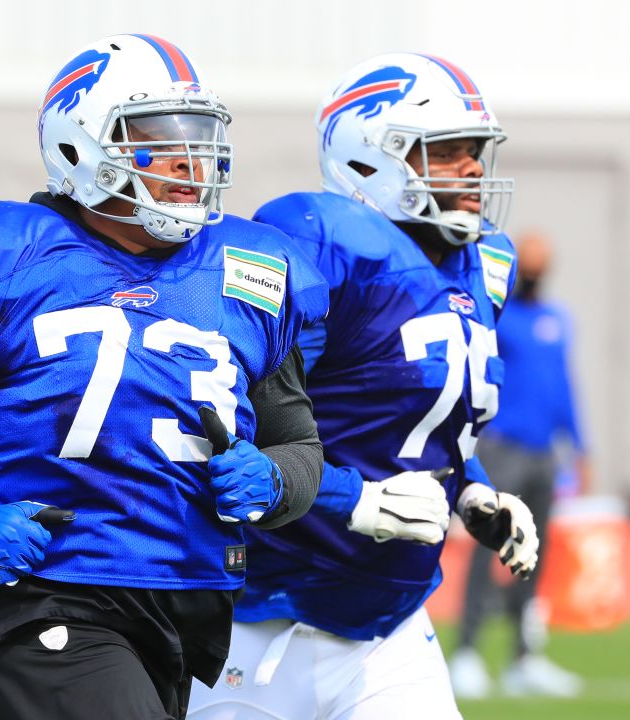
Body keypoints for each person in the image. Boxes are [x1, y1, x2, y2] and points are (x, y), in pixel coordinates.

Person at [0, 34, 329, 720]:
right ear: (79, 147)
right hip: (39, 596)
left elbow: (298, 442)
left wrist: (275, 482)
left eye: (198, 137)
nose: (189, 159)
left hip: (184, 601)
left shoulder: (252, 271)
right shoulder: (4, 256)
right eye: (155, 137)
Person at [187, 53, 539, 719]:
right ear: (370, 159)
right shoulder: (322, 239)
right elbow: (237, 425)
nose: (471, 168)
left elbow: (423, 426)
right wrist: (356, 497)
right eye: (447, 149)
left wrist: (472, 489)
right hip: (256, 620)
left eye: (475, 150)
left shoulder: (483, 267)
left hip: (388, 623)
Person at [447, 230, 589, 699]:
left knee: (534, 553)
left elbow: (564, 386)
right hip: (503, 448)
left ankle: (524, 657)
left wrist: (580, 446)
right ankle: (466, 651)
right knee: (488, 548)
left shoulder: (557, 319)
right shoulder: (500, 320)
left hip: (545, 452)